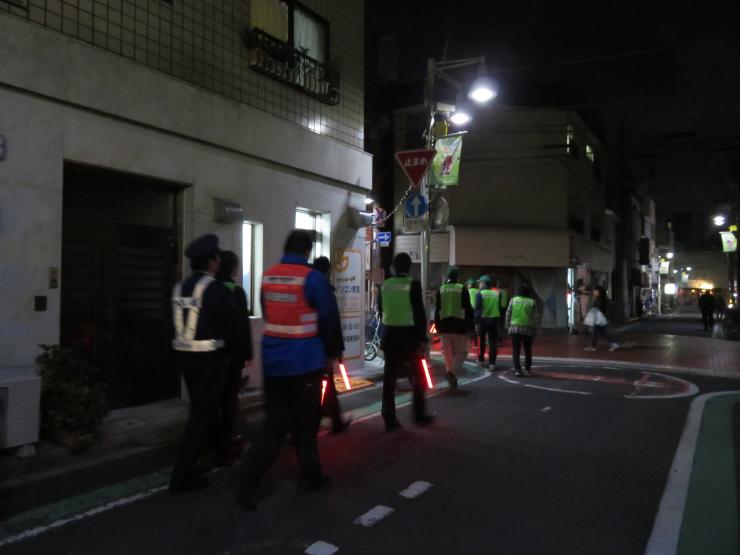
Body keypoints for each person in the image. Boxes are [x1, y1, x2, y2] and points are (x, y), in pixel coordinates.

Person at [237, 230, 341, 509]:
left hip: (273, 363)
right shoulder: (313, 279)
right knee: (306, 425)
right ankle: (310, 477)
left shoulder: (268, 277)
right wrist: (331, 353)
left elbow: (269, 314)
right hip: (304, 363)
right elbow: (328, 319)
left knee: (274, 424)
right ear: (307, 251)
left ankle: (248, 481)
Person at [169, 234, 236, 493]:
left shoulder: (179, 287)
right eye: (217, 257)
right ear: (211, 261)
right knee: (201, 414)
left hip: (185, 358)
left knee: (203, 409)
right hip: (210, 359)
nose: (219, 261)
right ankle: (181, 476)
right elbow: (227, 326)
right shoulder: (215, 289)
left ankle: (221, 452)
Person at [379, 252, 435, 431]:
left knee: (389, 380)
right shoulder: (413, 285)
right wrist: (422, 339)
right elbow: (419, 313)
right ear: (409, 267)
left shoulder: (385, 285)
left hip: (389, 337)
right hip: (409, 338)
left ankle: (389, 418)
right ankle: (419, 415)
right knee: (418, 377)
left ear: (393, 267)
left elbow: (381, 310)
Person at [215, 251, 253, 464]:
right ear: (234, 269)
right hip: (231, 355)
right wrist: (247, 353)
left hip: (211, 355)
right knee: (230, 399)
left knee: (216, 399)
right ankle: (227, 442)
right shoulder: (235, 291)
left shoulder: (209, 288)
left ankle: (215, 439)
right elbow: (241, 326)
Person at [312, 256, 351, 434]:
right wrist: (337, 350)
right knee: (326, 384)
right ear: (328, 272)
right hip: (324, 347)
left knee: (318, 385)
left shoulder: (306, 288)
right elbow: (332, 322)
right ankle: (331, 420)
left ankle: (329, 418)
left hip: (308, 346)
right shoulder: (326, 292)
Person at [434, 266, 473, 389]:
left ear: (447, 276)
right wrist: (470, 326)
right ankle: (452, 373)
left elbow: (437, 309)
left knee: (447, 354)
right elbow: (468, 309)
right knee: (462, 352)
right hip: (459, 325)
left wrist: (437, 326)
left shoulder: (441, 289)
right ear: (457, 276)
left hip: (444, 325)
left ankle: (451, 377)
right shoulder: (462, 289)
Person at [505, 284, 539, 377]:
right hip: (528, 329)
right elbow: (536, 317)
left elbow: (508, 314)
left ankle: (517, 370)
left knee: (516, 350)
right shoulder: (532, 302)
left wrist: (508, 327)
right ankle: (527, 369)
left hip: (515, 328)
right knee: (528, 350)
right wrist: (536, 330)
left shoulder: (513, 300)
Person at [474, 275, 502, 371]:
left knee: (481, 341)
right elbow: (499, 308)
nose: (479, 284)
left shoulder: (480, 294)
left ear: (483, 283)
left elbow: (477, 309)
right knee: (492, 342)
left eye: (480, 283)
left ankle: (481, 360)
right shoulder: (497, 293)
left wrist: (476, 322)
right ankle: (492, 364)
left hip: (483, 320)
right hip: (494, 320)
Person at [584, 286, 619, 351]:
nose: (594, 292)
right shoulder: (601, 299)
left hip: (599, 319)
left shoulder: (599, 300)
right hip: (600, 318)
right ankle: (613, 343)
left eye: (595, 291)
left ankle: (593, 346)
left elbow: (597, 309)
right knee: (602, 332)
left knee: (596, 332)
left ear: (599, 292)